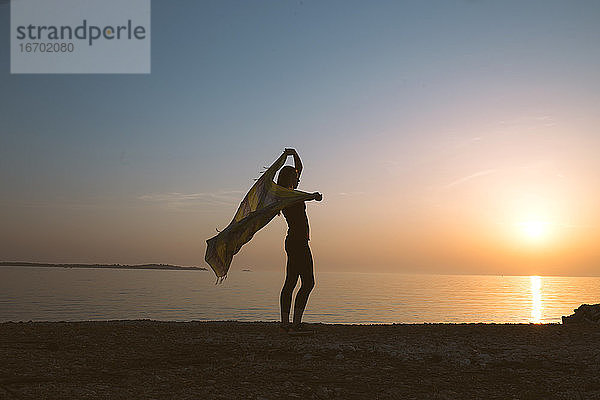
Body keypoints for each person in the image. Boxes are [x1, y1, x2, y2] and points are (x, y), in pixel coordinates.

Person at [276, 148, 322, 333]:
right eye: (294, 176)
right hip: (297, 242)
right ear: (288, 178)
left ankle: (288, 324)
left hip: (297, 242)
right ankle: (291, 324)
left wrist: (293, 153)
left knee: (292, 282)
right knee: (306, 282)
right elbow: (300, 196)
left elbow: (299, 168)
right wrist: (312, 196)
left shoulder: (290, 191)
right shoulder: (284, 194)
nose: (297, 177)